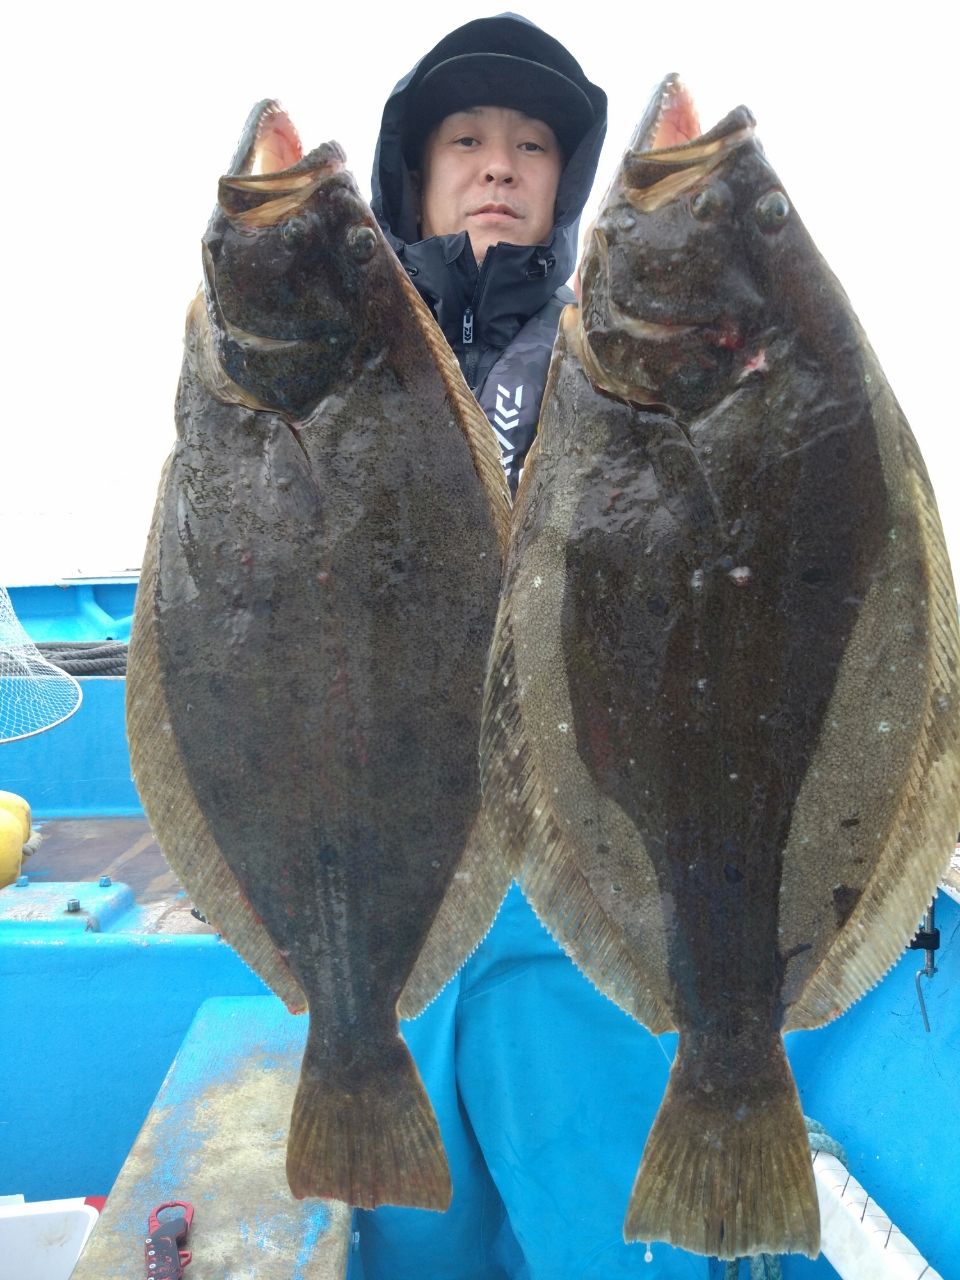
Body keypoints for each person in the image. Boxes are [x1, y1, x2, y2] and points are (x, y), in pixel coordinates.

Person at [351, 16, 710, 1280]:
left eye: (532, 143)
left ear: (565, 178)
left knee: (606, 1229)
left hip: (578, 894)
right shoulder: (345, 361)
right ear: (415, 172)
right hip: (385, 900)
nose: (499, 163)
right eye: (465, 137)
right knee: (405, 1241)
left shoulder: (621, 358)